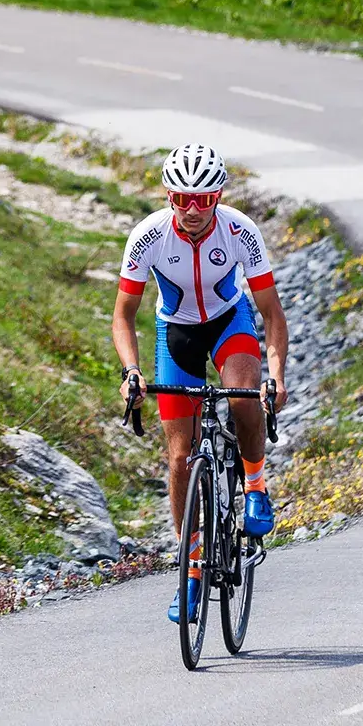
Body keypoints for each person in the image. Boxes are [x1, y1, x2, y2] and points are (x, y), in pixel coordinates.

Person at [113, 143, 289, 625]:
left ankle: (256, 486)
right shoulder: (147, 237)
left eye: (204, 199)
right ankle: (190, 572)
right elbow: (123, 316)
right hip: (177, 333)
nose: (192, 210)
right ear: (168, 196)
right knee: (179, 457)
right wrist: (131, 371)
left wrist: (276, 376)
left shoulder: (239, 230)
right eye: (182, 198)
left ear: (219, 197)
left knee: (244, 400)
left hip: (229, 323)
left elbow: (272, 313)